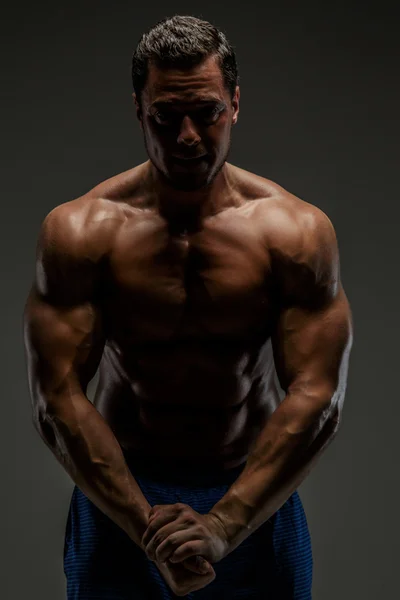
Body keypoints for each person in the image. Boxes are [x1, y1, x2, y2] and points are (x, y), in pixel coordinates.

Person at [23, 14, 353, 600]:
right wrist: (148, 530)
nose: (187, 137)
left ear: (235, 103)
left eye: (206, 113)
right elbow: (57, 398)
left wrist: (225, 524)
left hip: (254, 495)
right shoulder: (81, 232)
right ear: (137, 109)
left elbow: (317, 395)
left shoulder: (295, 232)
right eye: (165, 116)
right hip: (121, 498)